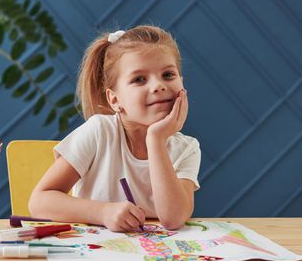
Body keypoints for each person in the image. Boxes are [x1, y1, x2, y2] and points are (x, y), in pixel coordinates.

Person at [29, 25, 201, 231]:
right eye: (139, 79)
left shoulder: (187, 148)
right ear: (114, 99)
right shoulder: (99, 132)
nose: (158, 86)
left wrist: (156, 140)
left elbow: (173, 219)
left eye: (168, 75)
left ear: (182, 83)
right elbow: (39, 202)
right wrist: (103, 212)